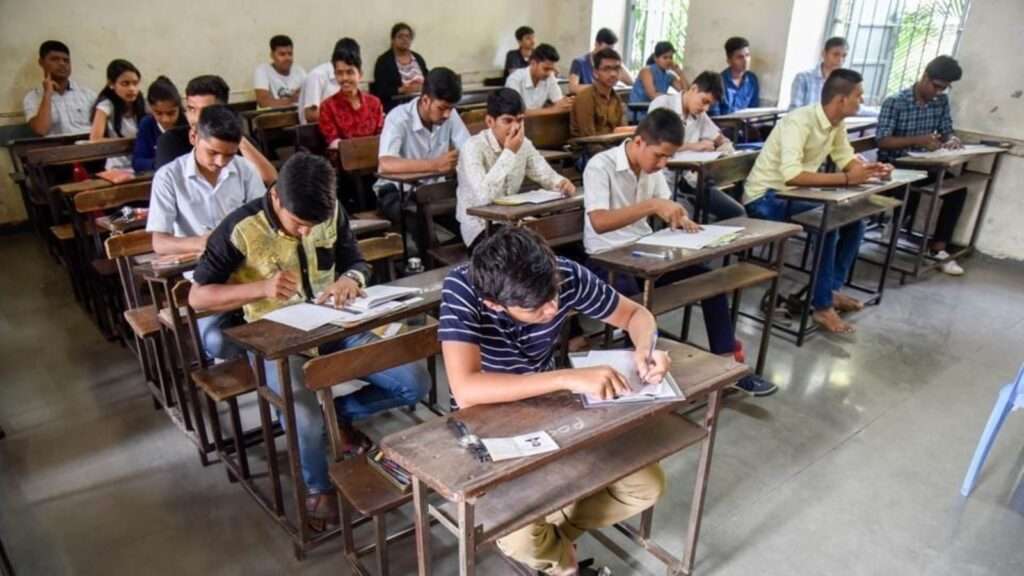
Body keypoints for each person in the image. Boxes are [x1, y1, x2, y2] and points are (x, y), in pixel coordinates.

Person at [189, 153, 429, 531]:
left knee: (414, 381)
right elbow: (198, 297)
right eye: (298, 224)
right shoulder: (239, 228)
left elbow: (356, 261)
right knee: (302, 414)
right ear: (276, 197)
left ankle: (339, 417)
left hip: (335, 324)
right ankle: (317, 486)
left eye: (313, 226)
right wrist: (260, 288)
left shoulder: (330, 211)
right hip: (277, 339)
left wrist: (349, 279)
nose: (305, 232)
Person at [439, 226, 668, 574]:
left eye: (555, 294)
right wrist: (566, 378)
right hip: (487, 425)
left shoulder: (562, 274)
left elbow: (636, 315)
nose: (554, 308)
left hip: (550, 411)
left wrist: (646, 349)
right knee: (519, 537)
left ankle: (556, 541)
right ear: (494, 304)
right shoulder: (463, 288)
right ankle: (563, 565)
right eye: (537, 307)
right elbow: (466, 389)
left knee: (646, 485)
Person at [583, 108, 776, 395]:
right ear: (639, 142)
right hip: (606, 259)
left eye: (668, 157)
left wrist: (680, 219)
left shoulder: (652, 169)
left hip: (644, 252)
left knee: (709, 281)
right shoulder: (600, 166)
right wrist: (652, 206)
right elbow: (599, 222)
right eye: (659, 155)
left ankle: (727, 364)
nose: (663, 163)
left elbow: (665, 205)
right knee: (637, 307)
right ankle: (643, 379)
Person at [743, 69, 893, 334]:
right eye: (858, 95)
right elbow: (792, 175)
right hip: (766, 197)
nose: (862, 100)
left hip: (796, 195)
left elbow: (845, 157)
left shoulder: (836, 124)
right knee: (829, 225)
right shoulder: (799, 122)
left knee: (854, 222)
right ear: (841, 99)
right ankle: (822, 307)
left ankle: (830, 291)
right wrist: (847, 179)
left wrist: (871, 170)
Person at [147, 105, 267, 361]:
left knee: (279, 324)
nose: (220, 163)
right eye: (213, 152)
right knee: (217, 342)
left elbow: (263, 222)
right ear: (194, 137)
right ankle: (250, 361)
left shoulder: (245, 170)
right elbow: (160, 242)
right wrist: (204, 242)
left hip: (251, 269)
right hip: (205, 280)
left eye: (229, 155)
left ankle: (264, 362)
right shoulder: (168, 177)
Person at [877, 55, 967, 276]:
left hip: (926, 165)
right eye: (936, 86)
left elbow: (946, 129)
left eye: (944, 88)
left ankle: (938, 248)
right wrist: (918, 140)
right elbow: (883, 140)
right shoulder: (896, 102)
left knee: (958, 192)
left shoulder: (940, 102)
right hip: (895, 164)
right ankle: (894, 224)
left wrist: (951, 139)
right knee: (909, 191)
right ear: (925, 77)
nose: (938, 92)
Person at [456, 89, 575, 248]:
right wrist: (510, 152)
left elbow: (546, 175)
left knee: (566, 240)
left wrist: (561, 183)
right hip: (480, 228)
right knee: (529, 249)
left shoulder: (524, 144)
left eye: (520, 120)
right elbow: (484, 197)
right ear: (490, 121)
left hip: (512, 222)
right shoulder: (472, 147)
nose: (515, 127)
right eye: (508, 121)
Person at [373, 67, 470, 246]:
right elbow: (386, 163)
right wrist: (435, 165)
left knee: (466, 223)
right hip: (396, 193)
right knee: (422, 226)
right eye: (442, 108)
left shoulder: (450, 115)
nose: (447, 114)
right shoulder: (398, 118)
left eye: (451, 108)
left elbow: (468, 148)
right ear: (425, 100)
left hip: (433, 191)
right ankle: (429, 260)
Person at [648, 70, 745, 220]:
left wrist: (725, 149)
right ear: (693, 89)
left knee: (737, 212)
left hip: (689, 181)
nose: (706, 109)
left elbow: (720, 138)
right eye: (704, 101)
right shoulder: (663, 104)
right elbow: (655, 145)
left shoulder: (700, 115)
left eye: (710, 105)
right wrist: (694, 146)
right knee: (692, 219)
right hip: (661, 179)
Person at [154, 74, 276, 185]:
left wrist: (238, 138)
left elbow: (271, 181)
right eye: (191, 109)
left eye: (206, 110)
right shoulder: (170, 140)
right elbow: (168, 183)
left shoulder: (237, 140)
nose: (196, 118)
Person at [24, 40, 97, 136]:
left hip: (89, 143)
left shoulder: (88, 94)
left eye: (66, 60)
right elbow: (41, 130)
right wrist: (47, 94)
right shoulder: (33, 97)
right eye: (54, 59)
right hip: (56, 145)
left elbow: (105, 127)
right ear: (41, 62)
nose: (62, 64)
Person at [318, 46, 385, 148]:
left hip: (376, 155)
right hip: (342, 157)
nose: (344, 78)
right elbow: (333, 142)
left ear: (360, 74)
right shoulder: (327, 107)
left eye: (350, 72)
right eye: (339, 73)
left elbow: (382, 136)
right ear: (335, 75)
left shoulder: (374, 103)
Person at [89, 59, 144, 170]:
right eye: (125, 84)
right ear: (111, 84)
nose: (132, 89)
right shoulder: (106, 105)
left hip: (140, 159)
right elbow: (95, 139)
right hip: (117, 164)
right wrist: (129, 142)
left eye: (135, 83)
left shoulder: (142, 102)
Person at [570, 48, 631, 138]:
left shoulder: (616, 98)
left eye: (617, 69)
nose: (613, 74)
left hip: (612, 143)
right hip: (589, 145)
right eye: (607, 69)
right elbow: (588, 138)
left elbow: (622, 131)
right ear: (595, 73)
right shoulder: (586, 97)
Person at [300, 37, 360, 124]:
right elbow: (311, 115)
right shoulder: (317, 76)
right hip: (317, 129)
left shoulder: (352, 76)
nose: (345, 77)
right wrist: (344, 117)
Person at [133, 76, 186, 172]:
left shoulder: (188, 124)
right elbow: (138, 162)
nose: (165, 119)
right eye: (158, 113)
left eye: (171, 113)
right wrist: (161, 163)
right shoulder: (147, 124)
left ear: (179, 107)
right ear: (150, 108)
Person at [372, 22, 429, 112]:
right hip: (398, 106)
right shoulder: (384, 61)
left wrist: (423, 87)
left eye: (408, 36)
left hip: (422, 104)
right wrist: (402, 89)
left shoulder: (417, 58)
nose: (405, 39)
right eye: (400, 36)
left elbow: (429, 79)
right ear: (393, 40)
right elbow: (380, 90)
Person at [504, 43, 572, 112]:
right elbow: (518, 113)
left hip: (539, 118)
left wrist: (567, 103)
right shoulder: (514, 79)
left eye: (552, 69)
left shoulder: (550, 77)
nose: (549, 73)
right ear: (533, 63)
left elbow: (559, 102)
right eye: (546, 69)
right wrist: (553, 109)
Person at [568, 28, 634, 95]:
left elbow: (631, 82)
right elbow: (573, 88)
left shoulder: (611, 64)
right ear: (596, 44)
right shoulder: (579, 63)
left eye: (611, 50)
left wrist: (618, 63)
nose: (608, 53)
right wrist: (599, 87)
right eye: (606, 49)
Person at [253, 34, 306, 109]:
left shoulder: (300, 71)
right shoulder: (262, 70)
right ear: (272, 55)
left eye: (290, 54)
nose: (287, 58)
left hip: (296, 114)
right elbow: (263, 103)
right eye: (282, 54)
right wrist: (292, 100)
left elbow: (309, 97)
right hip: (272, 115)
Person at [710, 37, 759, 116]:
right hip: (723, 123)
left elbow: (754, 110)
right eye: (740, 57)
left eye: (747, 55)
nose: (745, 60)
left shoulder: (752, 80)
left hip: (745, 123)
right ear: (729, 61)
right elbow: (714, 116)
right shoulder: (717, 83)